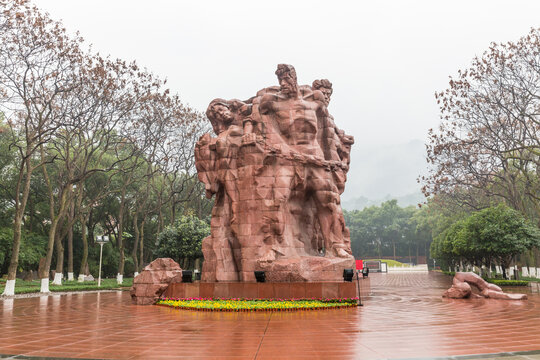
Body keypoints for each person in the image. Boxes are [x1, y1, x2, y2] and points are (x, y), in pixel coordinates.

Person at [258, 64, 351, 258]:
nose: (283, 83)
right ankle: (274, 247)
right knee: (277, 199)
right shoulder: (273, 102)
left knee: (328, 201)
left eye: (286, 79)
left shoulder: (314, 100)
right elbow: (255, 115)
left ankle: (335, 246)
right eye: (280, 80)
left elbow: (326, 130)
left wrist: (333, 157)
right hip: (289, 158)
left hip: (315, 158)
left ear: (295, 78)